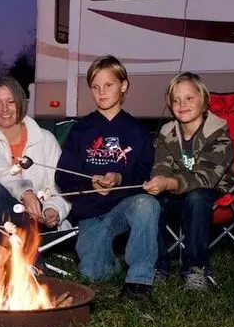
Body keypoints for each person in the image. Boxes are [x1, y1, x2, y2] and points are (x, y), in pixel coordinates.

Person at [54, 55, 161, 301]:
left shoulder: (136, 131)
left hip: (123, 207)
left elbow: (144, 173)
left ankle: (139, 281)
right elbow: (63, 175)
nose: (101, 92)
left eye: (108, 85)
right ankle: (113, 262)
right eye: (95, 87)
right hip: (91, 213)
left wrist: (119, 177)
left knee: (147, 204)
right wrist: (89, 181)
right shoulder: (81, 129)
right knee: (93, 274)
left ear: (123, 86)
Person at [143, 72, 234, 291]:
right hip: (178, 192)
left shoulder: (219, 134)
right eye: (176, 100)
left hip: (215, 191)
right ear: (170, 105)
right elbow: (162, 166)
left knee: (196, 197)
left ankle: (196, 269)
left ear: (204, 100)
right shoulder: (167, 133)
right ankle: (159, 266)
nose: (183, 105)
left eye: (189, 98)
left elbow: (204, 177)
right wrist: (158, 180)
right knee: (151, 202)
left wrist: (169, 183)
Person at [0, 76, 72, 263]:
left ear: (20, 103)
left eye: (10, 102)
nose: (5, 109)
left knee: (24, 200)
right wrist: (25, 192)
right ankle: (28, 265)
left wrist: (53, 209)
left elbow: (60, 185)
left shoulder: (46, 139)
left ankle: (10, 268)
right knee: (1, 190)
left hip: (38, 220)